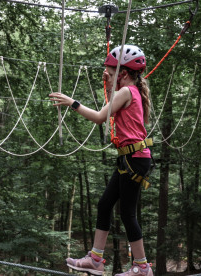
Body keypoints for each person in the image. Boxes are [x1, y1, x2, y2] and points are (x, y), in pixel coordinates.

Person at [49, 45, 153, 276]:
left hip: (134, 158)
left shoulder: (127, 92)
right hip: (131, 158)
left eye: (111, 72)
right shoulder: (131, 91)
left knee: (127, 213)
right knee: (105, 204)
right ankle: (95, 259)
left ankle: (142, 267)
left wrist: (72, 103)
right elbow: (112, 106)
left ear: (123, 73)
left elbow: (99, 117)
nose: (108, 75)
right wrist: (108, 83)